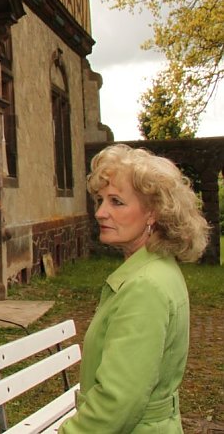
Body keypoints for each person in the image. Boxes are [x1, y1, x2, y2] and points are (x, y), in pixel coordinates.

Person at [59, 144, 209, 434]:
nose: (101, 212)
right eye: (100, 200)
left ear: (153, 213)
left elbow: (116, 405)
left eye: (116, 202)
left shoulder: (145, 286)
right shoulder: (158, 267)